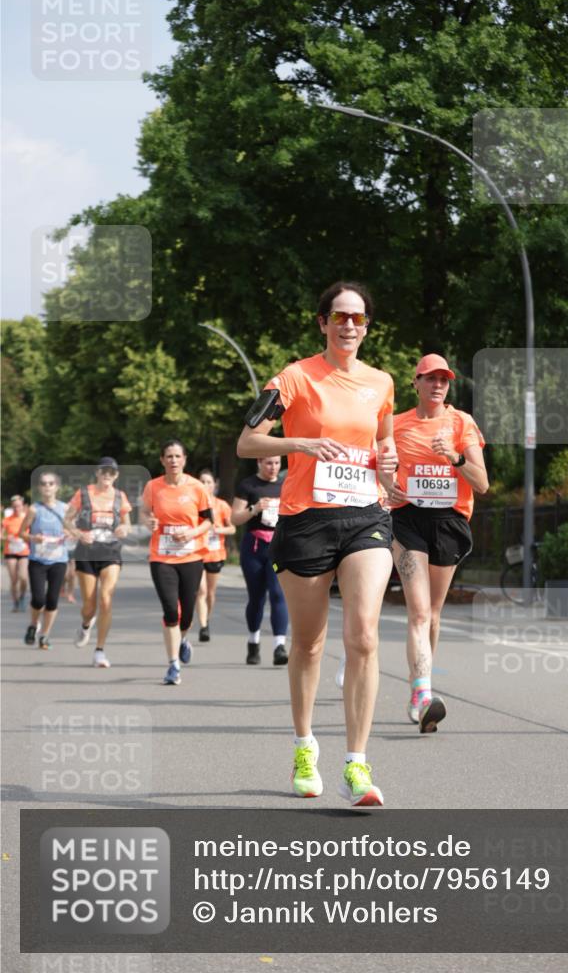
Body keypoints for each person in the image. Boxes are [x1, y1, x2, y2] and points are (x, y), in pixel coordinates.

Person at [237, 280, 398, 807]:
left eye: (358, 317)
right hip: (306, 519)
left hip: (365, 516)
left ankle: (357, 763)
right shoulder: (294, 377)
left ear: (367, 326)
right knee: (307, 644)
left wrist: (390, 462)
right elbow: (247, 441)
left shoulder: (382, 382)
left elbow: (384, 439)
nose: (349, 325)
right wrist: (302, 442)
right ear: (322, 323)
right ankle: (305, 746)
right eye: (339, 316)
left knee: (365, 637)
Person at [388, 354, 488, 733]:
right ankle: (422, 694)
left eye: (444, 380)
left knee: (432, 611)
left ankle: (422, 685)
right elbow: (377, 465)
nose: (437, 385)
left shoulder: (462, 422)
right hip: (408, 519)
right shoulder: (397, 424)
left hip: (449, 521)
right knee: (418, 611)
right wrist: (386, 485)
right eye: (430, 378)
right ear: (416, 382)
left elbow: (481, 483)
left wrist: (455, 456)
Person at [141, 440, 212, 685]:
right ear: (162, 460)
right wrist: (148, 522)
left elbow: (208, 521)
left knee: (187, 613)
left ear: (184, 459)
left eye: (177, 456)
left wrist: (191, 533)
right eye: (168, 456)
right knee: (171, 610)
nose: (173, 460)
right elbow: (144, 513)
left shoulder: (196, 487)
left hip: (191, 556)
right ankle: (173, 665)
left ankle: (182, 639)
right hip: (162, 557)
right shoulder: (153, 487)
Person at [64, 458, 132, 668]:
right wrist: (77, 533)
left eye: (111, 472)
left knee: (106, 599)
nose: (107, 475)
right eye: (104, 471)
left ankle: (99, 651)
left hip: (110, 551)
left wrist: (124, 529)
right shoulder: (83, 493)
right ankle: (86, 625)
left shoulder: (120, 496)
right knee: (89, 606)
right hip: (86, 552)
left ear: (116, 475)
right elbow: (67, 519)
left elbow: (126, 522)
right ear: (97, 473)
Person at [231, 457, 288, 666]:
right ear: (259, 462)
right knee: (256, 597)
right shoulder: (248, 485)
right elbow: (234, 518)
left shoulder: (285, 485)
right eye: (268, 463)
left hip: (278, 547)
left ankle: (279, 646)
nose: (273, 467)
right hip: (254, 546)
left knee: (277, 593)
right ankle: (253, 641)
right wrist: (255, 509)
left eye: (276, 463)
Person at [20, 472, 72, 650]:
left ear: (57, 487)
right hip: (38, 560)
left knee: (52, 600)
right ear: (39, 488)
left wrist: (68, 533)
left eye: (51, 483)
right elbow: (21, 532)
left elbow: (74, 532)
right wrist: (34, 538)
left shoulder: (65, 509)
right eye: (43, 484)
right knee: (38, 598)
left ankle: (45, 635)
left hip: (58, 560)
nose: (47, 486)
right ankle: (34, 625)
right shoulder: (34, 509)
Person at [196, 468, 235, 643]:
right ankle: (203, 626)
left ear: (215, 485)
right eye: (202, 482)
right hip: (197, 553)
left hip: (216, 553)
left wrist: (218, 529)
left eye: (208, 482)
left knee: (210, 593)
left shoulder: (222, 505)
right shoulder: (193, 504)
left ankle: (207, 619)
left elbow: (232, 528)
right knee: (201, 590)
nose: (205, 485)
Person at [2, 495, 30, 611]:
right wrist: (6, 538)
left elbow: (33, 534)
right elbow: (0, 535)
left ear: (22, 506)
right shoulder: (6, 520)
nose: (16, 508)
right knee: (14, 579)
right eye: (14, 507)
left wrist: (26, 538)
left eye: (18, 506)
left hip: (24, 551)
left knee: (23, 578)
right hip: (10, 551)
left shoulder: (28, 519)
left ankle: (22, 596)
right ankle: (16, 602)